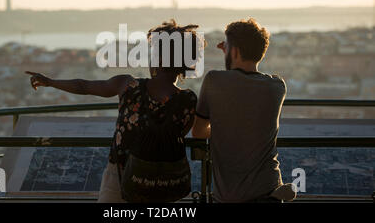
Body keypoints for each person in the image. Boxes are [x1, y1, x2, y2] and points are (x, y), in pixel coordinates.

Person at [26, 19, 201, 202]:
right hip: (165, 183)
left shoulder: (128, 85)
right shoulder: (188, 100)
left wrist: (50, 82)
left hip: (121, 176)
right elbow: (178, 134)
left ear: (161, 59)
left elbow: (83, 86)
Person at [192, 18, 292, 203]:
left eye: (227, 46)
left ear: (235, 51)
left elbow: (198, 131)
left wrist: (223, 128)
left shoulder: (214, 80)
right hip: (269, 190)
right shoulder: (277, 86)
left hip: (229, 195)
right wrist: (232, 51)